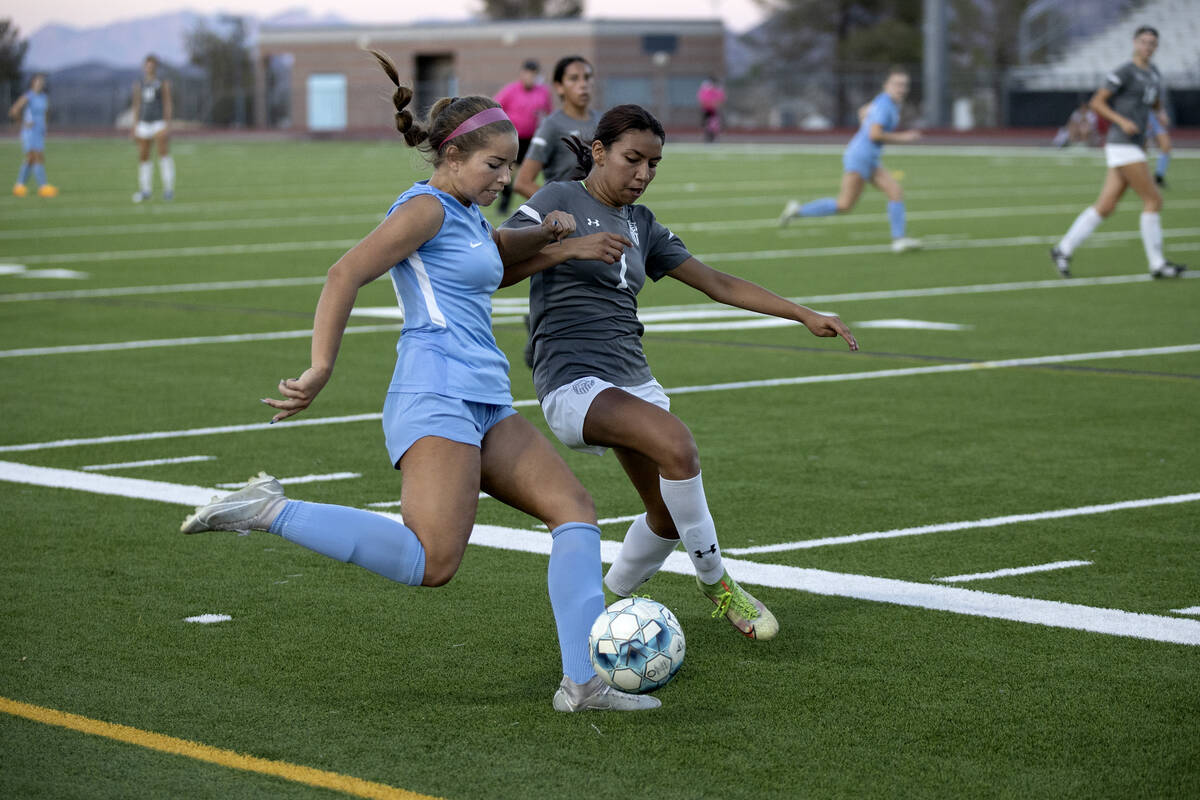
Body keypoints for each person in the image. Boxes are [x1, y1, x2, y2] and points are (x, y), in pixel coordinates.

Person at [180, 52, 659, 713]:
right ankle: (267, 510)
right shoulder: (426, 210)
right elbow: (344, 273)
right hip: (434, 394)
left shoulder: (463, 214)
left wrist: (556, 242)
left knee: (574, 511)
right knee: (434, 562)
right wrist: (321, 366)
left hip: (484, 395)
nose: (503, 178)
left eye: (507, 164)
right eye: (493, 166)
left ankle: (583, 682)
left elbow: (490, 250)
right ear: (454, 156)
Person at [502, 104, 859, 641]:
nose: (643, 174)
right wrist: (562, 244)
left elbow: (716, 282)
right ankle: (718, 584)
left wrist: (803, 312)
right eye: (632, 159)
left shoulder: (642, 224)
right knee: (678, 444)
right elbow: (494, 260)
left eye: (654, 164)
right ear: (598, 153)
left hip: (632, 377)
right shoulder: (558, 199)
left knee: (666, 519)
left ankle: (605, 608)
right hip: (572, 378)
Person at [1050, 26, 1186, 279]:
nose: (1148, 47)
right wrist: (1122, 121)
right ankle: (1157, 264)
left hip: (1134, 145)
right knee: (1153, 200)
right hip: (1122, 142)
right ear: (1135, 43)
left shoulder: (1153, 72)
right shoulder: (1125, 71)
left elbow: (1153, 101)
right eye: (1144, 42)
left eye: (1152, 43)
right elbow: (1097, 102)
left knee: (1106, 205)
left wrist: (1160, 113)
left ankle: (1063, 249)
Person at [513, 55, 601, 366]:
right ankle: (542, 341)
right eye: (575, 78)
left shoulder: (603, 124)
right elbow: (523, 180)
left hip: (600, 222)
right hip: (565, 229)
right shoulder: (552, 126)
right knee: (565, 295)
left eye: (587, 77)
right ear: (559, 87)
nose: (583, 84)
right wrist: (558, 212)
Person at [778, 67, 921, 253]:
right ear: (886, 85)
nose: (901, 88)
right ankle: (799, 211)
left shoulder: (887, 102)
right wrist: (904, 138)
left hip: (868, 157)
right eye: (897, 84)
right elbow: (875, 134)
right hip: (860, 156)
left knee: (895, 192)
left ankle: (899, 239)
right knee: (844, 204)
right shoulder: (885, 104)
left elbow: (863, 111)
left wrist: (864, 124)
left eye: (904, 85)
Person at [493, 59, 553, 215]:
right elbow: (495, 107)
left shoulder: (543, 92)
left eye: (533, 75)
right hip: (513, 139)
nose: (530, 78)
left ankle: (540, 204)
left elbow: (549, 113)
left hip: (533, 139)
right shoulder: (511, 90)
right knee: (509, 172)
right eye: (527, 74)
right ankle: (503, 205)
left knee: (534, 173)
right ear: (522, 74)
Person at [131, 54, 175, 202]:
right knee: (143, 155)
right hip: (144, 123)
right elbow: (137, 105)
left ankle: (168, 189)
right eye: (147, 65)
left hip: (158, 122)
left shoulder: (162, 83)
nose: (149, 67)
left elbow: (167, 103)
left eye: (152, 65)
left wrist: (168, 124)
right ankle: (145, 190)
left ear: (156, 67)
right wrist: (135, 125)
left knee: (163, 153)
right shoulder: (139, 84)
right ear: (144, 67)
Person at [9, 74, 57, 198]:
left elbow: (46, 113)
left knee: (30, 159)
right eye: (38, 82)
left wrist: (45, 126)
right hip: (29, 132)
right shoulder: (28, 96)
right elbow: (14, 111)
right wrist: (24, 123)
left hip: (39, 131)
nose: (40, 84)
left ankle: (19, 187)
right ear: (32, 83)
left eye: (42, 82)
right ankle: (43, 187)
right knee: (36, 157)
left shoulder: (44, 97)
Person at [1146, 108, 1171, 187]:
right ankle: (1135, 176)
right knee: (1140, 149)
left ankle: (1159, 177)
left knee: (1166, 146)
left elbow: (1155, 101)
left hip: (1154, 116)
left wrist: (1162, 112)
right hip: (1142, 114)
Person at [697, 76, 726, 143]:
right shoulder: (705, 90)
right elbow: (703, 101)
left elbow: (720, 100)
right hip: (707, 110)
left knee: (714, 125)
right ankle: (708, 137)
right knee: (707, 125)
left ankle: (713, 137)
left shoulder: (717, 90)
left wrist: (715, 104)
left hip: (714, 111)